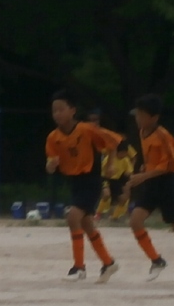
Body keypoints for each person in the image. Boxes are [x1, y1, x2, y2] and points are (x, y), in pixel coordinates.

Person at [124, 94, 174, 281]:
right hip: (152, 184)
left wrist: (143, 175)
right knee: (135, 221)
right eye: (137, 114)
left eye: (142, 115)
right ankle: (156, 260)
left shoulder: (162, 135)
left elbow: (169, 165)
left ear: (154, 117)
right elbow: (153, 159)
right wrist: (145, 169)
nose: (138, 118)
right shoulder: (142, 132)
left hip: (168, 184)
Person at [46, 90, 122, 282]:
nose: (57, 114)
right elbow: (50, 165)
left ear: (72, 110)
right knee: (87, 224)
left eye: (61, 109)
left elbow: (112, 142)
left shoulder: (87, 129)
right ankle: (108, 262)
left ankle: (79, 267)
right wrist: (51, 165)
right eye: (54, 110)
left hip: (91, 179)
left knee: (73, 217)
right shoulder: (53, 137)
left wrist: (111, 164)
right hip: (75, 182)